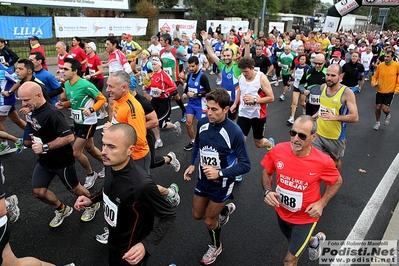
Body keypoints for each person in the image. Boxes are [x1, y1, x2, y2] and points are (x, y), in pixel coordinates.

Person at [74, 123, 176, 266]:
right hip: (114, 241)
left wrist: (145, 245)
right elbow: (108, 188)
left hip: (131, 253)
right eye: (103, 145)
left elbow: (169, 216)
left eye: (111, 147)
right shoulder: (110, 164)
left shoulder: (142, 185)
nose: (103, 151)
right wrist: (91, 200)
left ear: (130, 150)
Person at [261, 115, 343, 266]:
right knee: (292, 239)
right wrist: (267, 191)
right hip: (282, 212)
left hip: (306, 218)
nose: (295, 139)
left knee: (289, 261)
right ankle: (314, 241)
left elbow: (337, 181)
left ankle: (309, 240)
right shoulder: (279, 150)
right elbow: (266, 171)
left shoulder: (323, 161)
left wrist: (321, 203)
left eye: (302, 136)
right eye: (293, 133)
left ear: (314, 137)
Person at [184, 88, 251, 265]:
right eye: (208, 108)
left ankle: (216, 246)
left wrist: (219, 172)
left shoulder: (234, 132)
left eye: (214, 109)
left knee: (208, 220)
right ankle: (224, 209)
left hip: (222, 183)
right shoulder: (203, 123)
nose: (209, 112)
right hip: (203, 179)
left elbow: (246, 165)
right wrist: (192, 163)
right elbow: (198, 143)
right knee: (197, 215)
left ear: (226, 109)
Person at [19, 82, 100, 228]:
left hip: (61, 161)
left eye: (26, 100)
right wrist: (29, 138)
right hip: (44, 160)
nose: (23, 104)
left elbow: (69, 137)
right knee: (38, 192)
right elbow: (33, 125)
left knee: (75, 189)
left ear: (38, 95)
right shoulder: (31, 110)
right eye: (21, 100)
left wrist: (45, 146)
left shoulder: (52, 113)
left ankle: (92, 204)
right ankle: (62, 209)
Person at [56, 58, 106, 189]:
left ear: (75, 71)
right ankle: (109, 165)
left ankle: (91, 174)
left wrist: (91, 109)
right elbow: (72, 102)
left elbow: (102, 99)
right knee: (90, 148)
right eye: (62, 69)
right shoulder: (67, 84)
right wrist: (64, 104)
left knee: (76, 152)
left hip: (88, 122)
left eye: (66, 69)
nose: (63, 71)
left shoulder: (85, 84)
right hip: (77, 120)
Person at [312, 64, 359, 170]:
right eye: (327, 75)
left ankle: (335, 179)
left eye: (333, 75)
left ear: (341, 76)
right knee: (315, 159)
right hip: (318, 133)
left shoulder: (347, 93)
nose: (329, 78)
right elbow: (323, 106)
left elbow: (355, 117)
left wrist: (334, 117)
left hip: (335, 137)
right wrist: (313, 116)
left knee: (335, 161)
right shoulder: (323, 87)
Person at [231, 56, 275, 161]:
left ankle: (270, 143)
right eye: (242, 72)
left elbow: (271, 98)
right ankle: (238, 169)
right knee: (239, 141)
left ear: (252, 68)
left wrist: (255, 100)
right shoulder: (241, 77)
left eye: (246, 71)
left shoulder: (261, 78)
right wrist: (235, 103)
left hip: (258, 115)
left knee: (258, 143)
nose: (244, 74)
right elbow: (240, 90)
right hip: (243, 114)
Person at [200, 30, 241, 122]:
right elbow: (211, 54)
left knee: (232, 120)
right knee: (221, 118)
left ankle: (232, 136)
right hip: (223, 97)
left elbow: (247, 58)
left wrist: (246, 43)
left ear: (233, 56)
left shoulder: (237, 67)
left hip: (233, 99)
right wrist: (206, 40)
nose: (226, 57)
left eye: (228, 56)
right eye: (224, 56)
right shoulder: (222, 65)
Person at [144, 57, 181, 149]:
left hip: (164, 101)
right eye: (152, 64)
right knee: (153, 121)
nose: (153, 66)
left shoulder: (163, 75)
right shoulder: (153, 74)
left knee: (161, 124)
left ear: (159, 65)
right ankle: (158, 140)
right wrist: (147, 88)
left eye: (155, 64)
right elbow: (152, 87)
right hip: (155, 100)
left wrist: (163, 91)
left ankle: (175, 126)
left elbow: (174, 87)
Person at [181, 55, 212, 151]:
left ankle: (203, 142)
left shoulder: (203, 77)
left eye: (193, 66)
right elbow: (187, 88)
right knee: (188, 123)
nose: (190, 68)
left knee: (200, 125)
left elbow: (209, 93)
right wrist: (185, 94)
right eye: (189, 66)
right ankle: (193, 141)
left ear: (198, 65)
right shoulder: (190, 75)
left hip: (201, 104)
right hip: (191, 104)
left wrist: (196, 95)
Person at [159, 33, 187, 123]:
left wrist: (183, 71)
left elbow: (186, 61)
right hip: (165, 79)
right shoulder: (161, 52)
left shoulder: (176, 51)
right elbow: (162, 65)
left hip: (174, 79)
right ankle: (184, 111)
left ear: (167, 41)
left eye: (161, 40)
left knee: (167, 97)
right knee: (176, 97)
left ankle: (168, 118)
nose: (160, 42)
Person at [371, 50, 399, 131]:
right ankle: (377, 122)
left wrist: (397, 89)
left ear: (392, 57)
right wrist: (373, 82)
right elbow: (375, 76)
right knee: (378, 107)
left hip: (390, 91)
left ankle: (388, 114)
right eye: (385, 56)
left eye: (388, 57)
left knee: (385, 108)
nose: (386, 58)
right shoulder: (380, 65)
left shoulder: (397, 65)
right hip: (380, 90)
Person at [84, 42, 107, 119]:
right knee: (93, 95)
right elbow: (89, 68)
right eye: (86, 48)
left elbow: (101, 71)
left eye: (88, 48)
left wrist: (90, 75)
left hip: (99, 79)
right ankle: (104, 104)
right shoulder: (88, 57)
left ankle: (104, 112)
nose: (86, 49)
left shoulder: (96, 58)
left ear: (93, 49)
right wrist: (86, 74)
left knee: (97, 97)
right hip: (93, 79)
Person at [287, 54, 311, 124]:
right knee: (294, 102)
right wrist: (293, 76)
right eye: (300, 59)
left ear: (306, 60)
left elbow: (308, 78)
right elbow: (293, 73)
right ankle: (292, 118)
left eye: (303, 59)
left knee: (302, 103)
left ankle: (307, 109)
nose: (301, 60)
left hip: (303, 87)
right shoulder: (297, 66)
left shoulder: (308, 68)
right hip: (296, 86)